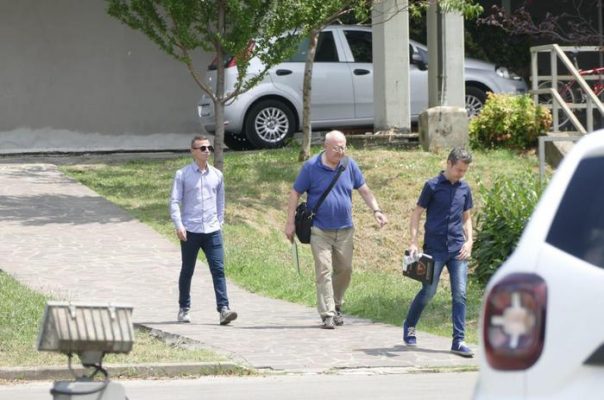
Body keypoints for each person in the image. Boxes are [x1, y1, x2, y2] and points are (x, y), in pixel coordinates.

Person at [285, 130, 388, 329]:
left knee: (345, 270)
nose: (341, 151)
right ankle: (328, 314)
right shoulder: (311, 167)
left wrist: (377, 210)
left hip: (345, 230)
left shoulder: (349, 165)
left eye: (343, 147)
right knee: (324, 270)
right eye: (336, 148)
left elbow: (364, 190)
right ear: (325, 147)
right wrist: (290, 222)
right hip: (319, 230)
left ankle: (337, 304)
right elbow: (295, 192)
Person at [402, 147, 474, 357]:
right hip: (434, 249)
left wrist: (470, 241)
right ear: (449, 163)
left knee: (460, 294)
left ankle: (458, 341)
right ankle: (410, 325)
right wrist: (413, 242)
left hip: (458, 249)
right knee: (428, 292)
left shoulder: (465, 188)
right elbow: (417, 214)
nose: (461, 174)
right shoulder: (432, 186)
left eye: (464, 171)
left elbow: (467, 218)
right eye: (458, 170)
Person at [169, 135, 237, 326]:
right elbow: (174, 202)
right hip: (190, 230)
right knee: (187, 270)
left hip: (212, 230)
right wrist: (179, 225)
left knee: (218, 269)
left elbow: (220, 202)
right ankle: (184, 308)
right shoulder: (182, 174)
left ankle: (223, 309)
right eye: (202, 148)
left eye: (209, 148)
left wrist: (219, 223)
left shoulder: (217, 175)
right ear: (193, 151)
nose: (207, 151)